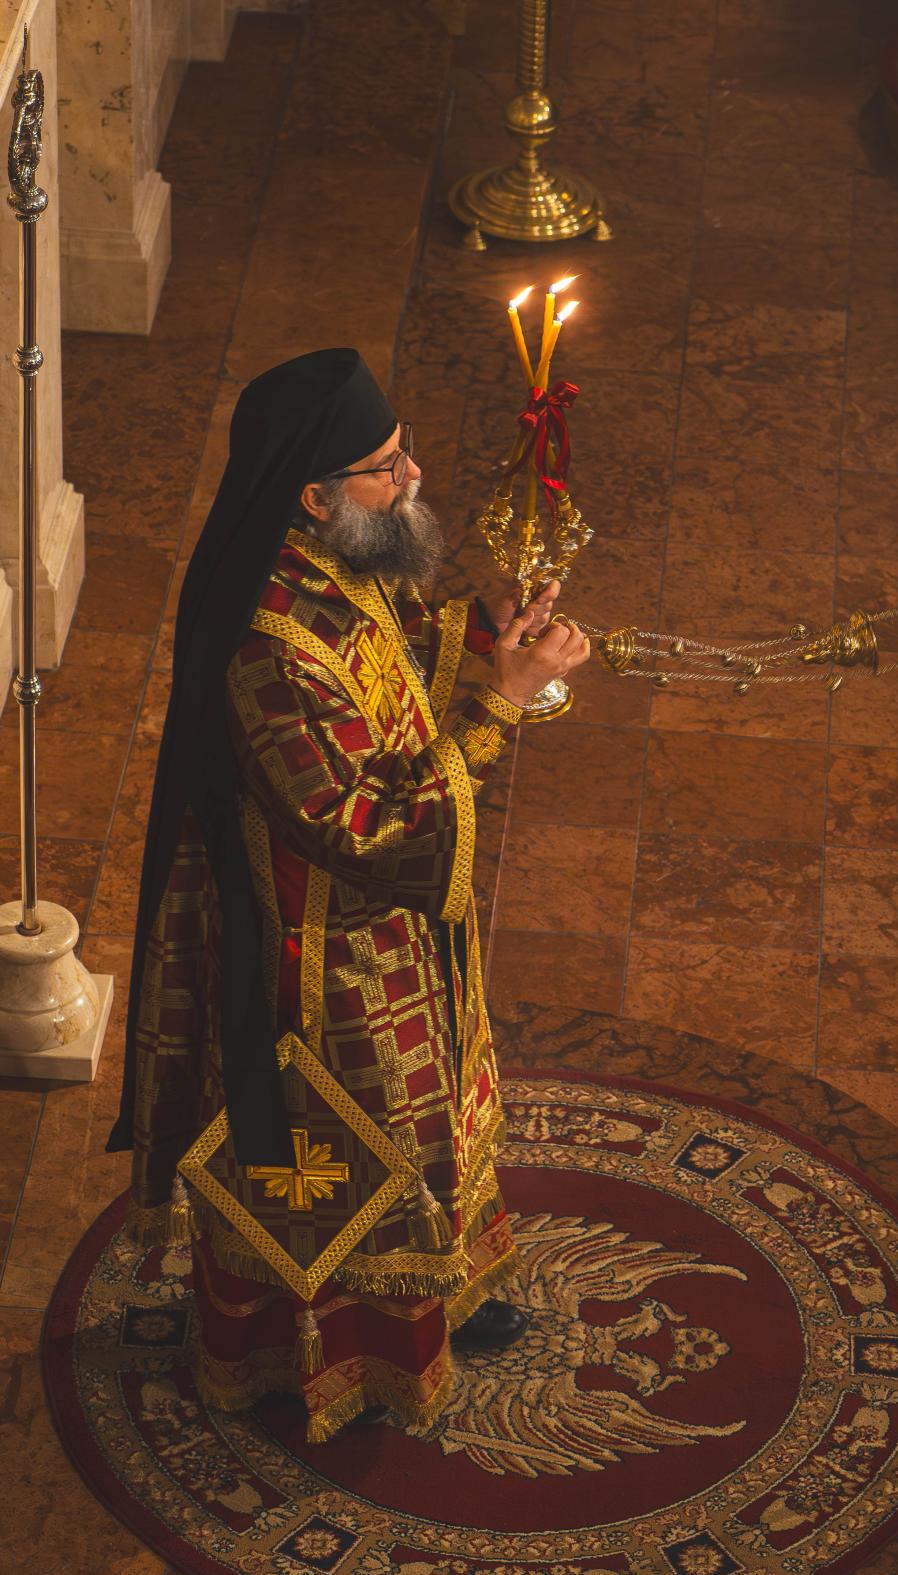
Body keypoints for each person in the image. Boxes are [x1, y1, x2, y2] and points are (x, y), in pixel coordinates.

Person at [107, 348, 589, 1443]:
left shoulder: (330, 560)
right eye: (384, 466)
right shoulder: (265, 648)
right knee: (372, 1146)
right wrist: (502, 706)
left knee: (443, 1108)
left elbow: (389, 649)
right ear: (315, 495)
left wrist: (484, 631)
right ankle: (334, 1355)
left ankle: (449, 1288)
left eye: (402, 450)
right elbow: (360, 826)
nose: (412, 475)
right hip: (323, 959)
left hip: (399, 936)